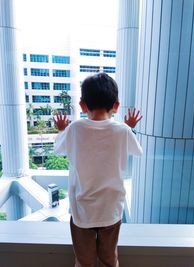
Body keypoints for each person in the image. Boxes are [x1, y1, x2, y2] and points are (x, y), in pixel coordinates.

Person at [54, 73, 143, 267]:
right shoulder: (123, 131)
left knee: (84, 262)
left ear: (82, 105)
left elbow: (58, 149)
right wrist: (129, 128)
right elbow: (137, 150)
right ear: (116, 106)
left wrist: (61, 129)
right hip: (111, 210)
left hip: (82, 211)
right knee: (110, 260)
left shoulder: (75, 128)